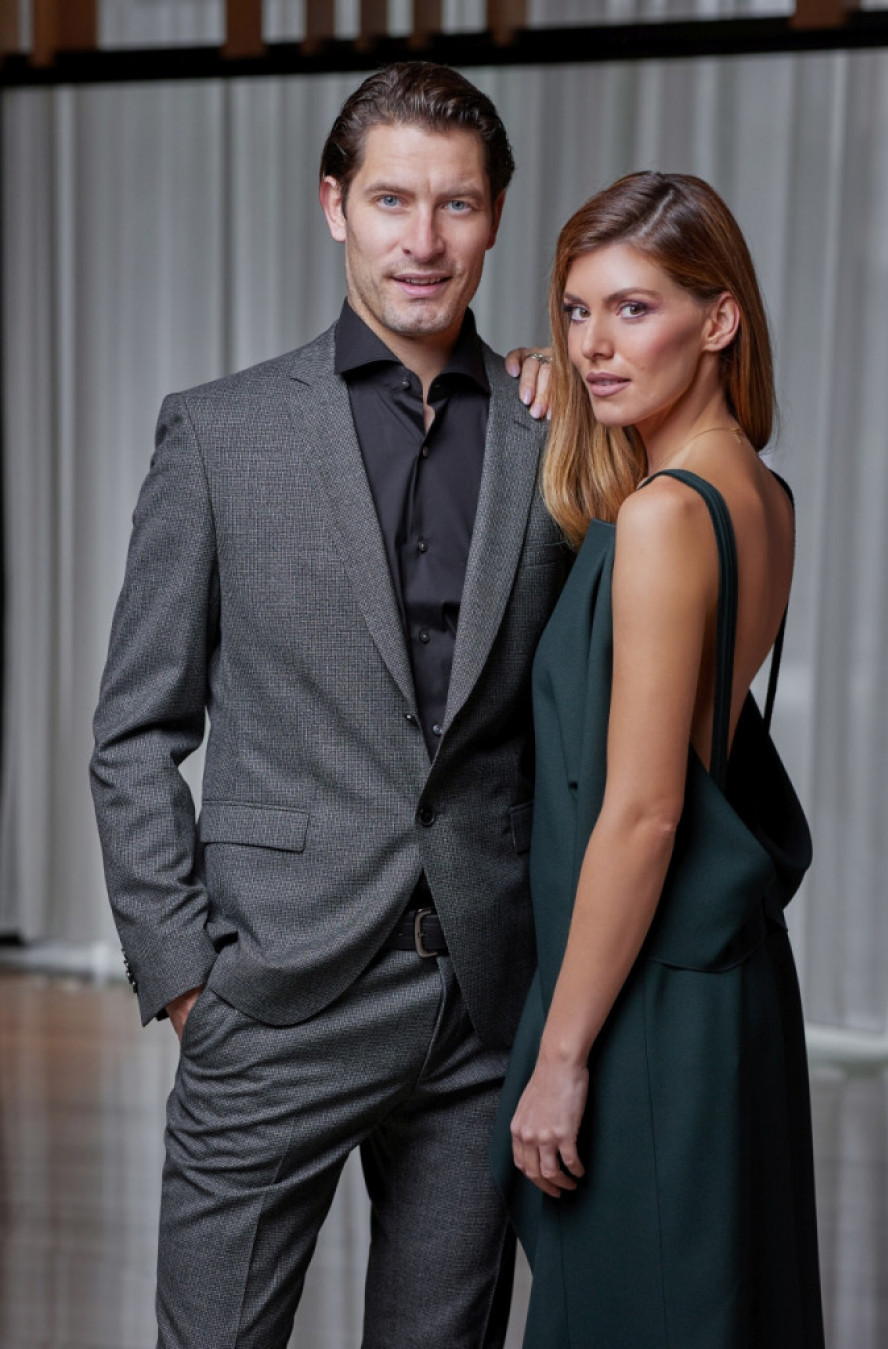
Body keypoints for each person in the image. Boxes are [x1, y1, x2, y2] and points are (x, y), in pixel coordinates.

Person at [90, 61, 568, 1349]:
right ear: (334, 206)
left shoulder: (559, 434)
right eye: (392, 200)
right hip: (273, 995)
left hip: (479, 1007)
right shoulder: (219, 434)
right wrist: (187, 980)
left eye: (457, 204)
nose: (424, 240)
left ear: (496, 215)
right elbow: (134, 729)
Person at [491, 172, 826, 1347]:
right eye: (577, 311)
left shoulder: (665, 517)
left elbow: (643, 812)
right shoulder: (760, 493)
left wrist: (561, 1054)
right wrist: (555, 372)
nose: (594, 345)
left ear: (718, 319)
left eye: (633, 309)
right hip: (724, 983)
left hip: (645, 1000)